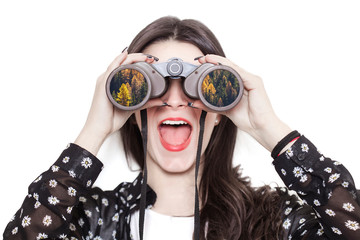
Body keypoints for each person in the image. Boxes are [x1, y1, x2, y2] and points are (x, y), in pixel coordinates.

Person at [3, 16, 360, 240]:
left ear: (221, 111)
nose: (174, 101)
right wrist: (93, 132)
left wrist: (270, 130)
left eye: (200, 86)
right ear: (134, 112)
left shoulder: (275, 222)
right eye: (151, 83)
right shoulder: (90, 219)